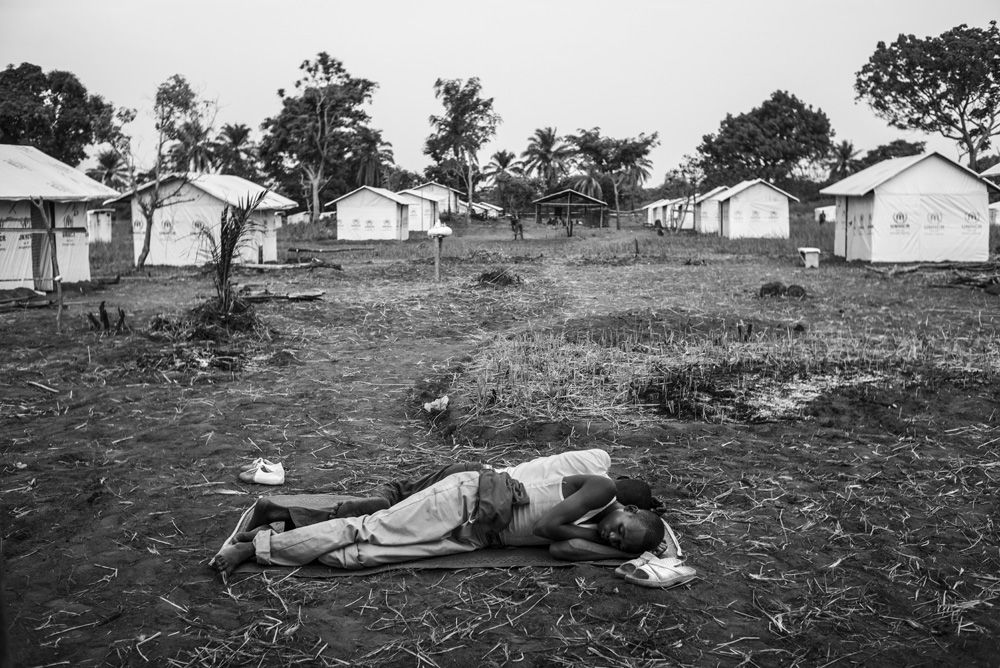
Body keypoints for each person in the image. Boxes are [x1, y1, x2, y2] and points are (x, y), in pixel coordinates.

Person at [210, 467, 665, 575]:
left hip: (479, 538)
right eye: (621, 530)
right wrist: (607, 538)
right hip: (466, 501)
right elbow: (547, 532)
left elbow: (564, 550)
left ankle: (280, 531)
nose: (612, 536)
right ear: (629, 509)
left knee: (359, 557)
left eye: (620, 544)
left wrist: (618, 550)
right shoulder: (603, 490)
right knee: (367, 526)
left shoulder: (595, 536)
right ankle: (257, 546)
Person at [234, 449, 658, 533]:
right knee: (381, 517)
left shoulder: (589, 463)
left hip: (475, 472)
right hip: (478, 487)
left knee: (395, 497)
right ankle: (281, 512)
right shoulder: (596, 492)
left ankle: (288, 513)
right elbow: (553, 528)